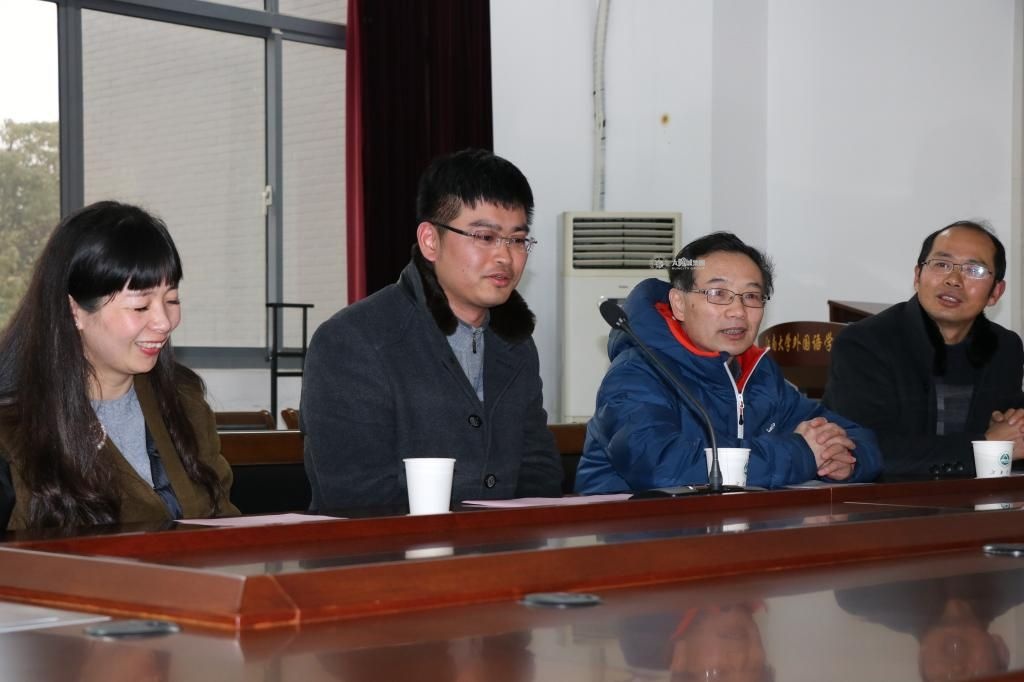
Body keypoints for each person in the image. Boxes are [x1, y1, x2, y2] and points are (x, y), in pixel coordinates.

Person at [301, 148, 562, 511]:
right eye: (484, 237)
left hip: (504, 545)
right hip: (389, 546)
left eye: (517, 240)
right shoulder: (353, 342)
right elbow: (356, 496)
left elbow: (539, 472)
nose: (505, 256)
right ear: (430, 241)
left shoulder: (514, 343)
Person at [575, 232, 881, 494]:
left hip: (728, 531)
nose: (738, 311)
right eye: (718, 294)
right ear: (679, 304)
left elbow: (857, 437)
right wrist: (801, 453)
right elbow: (663, 467)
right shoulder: (637, 373)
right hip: (632, 534)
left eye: (751, 296)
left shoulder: (758, 374)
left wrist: (844, 461)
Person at [0, 201, 238, 529]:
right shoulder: (13, 427)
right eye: (140, 306)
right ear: (74, 310)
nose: (164, 322)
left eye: (172, 300)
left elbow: (225, 523)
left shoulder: (184, 401)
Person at [823, 220, 1024, 479]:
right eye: (941, 264)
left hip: (978, 499)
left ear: (996, 291)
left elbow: (1010, 434)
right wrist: (986, 445)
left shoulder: (1004, 347)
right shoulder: (864, 343)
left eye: (974, 269)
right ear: (918, 276)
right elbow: (865, 451)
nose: (953, 280)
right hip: (884, 500)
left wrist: (1015, 431)